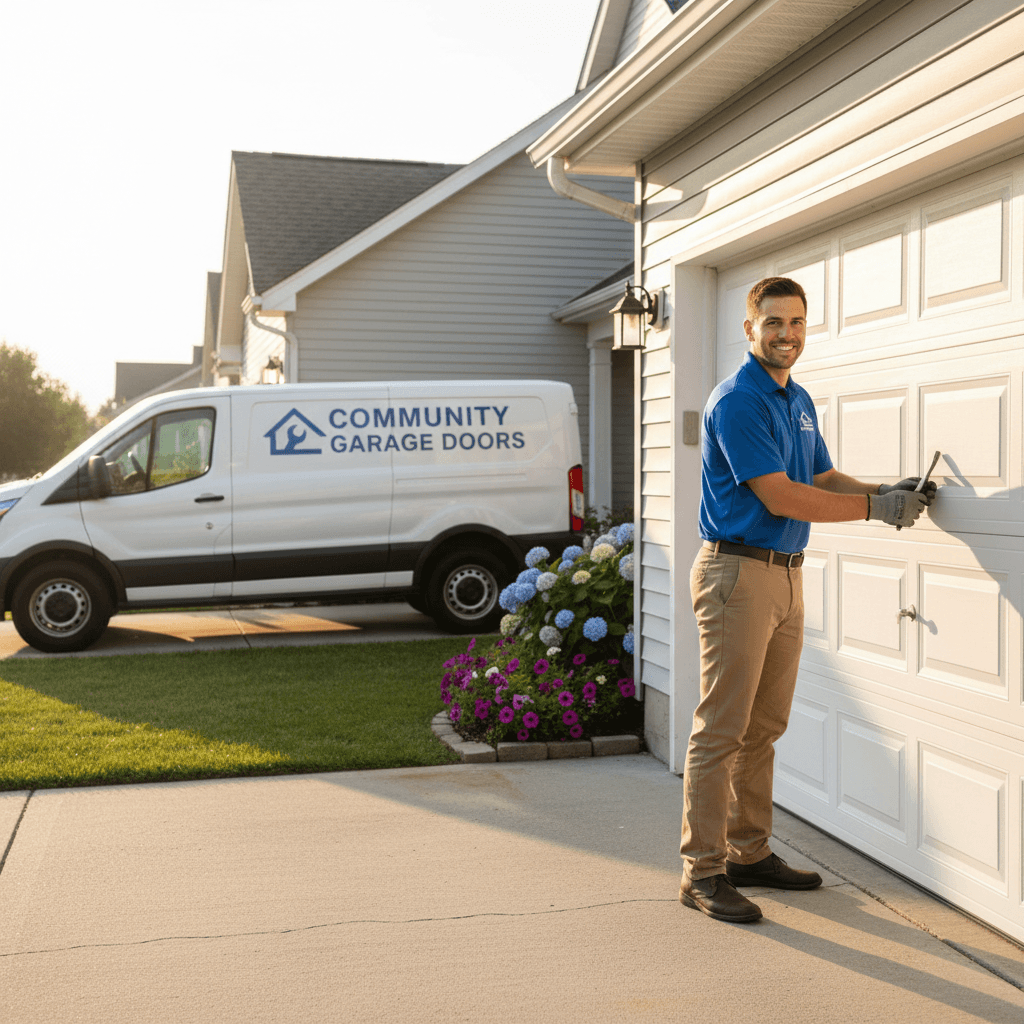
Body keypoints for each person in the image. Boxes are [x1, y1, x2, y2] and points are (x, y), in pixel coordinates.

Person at [678, 276, 936, 924]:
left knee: (763, 728)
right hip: (738, 574)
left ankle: (748, 853)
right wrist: (877, 509)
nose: (786, 335)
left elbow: (819, 478)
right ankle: (702, 872)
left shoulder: (796, 399)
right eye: (773, 323)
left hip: (784, 574)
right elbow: (782, 496)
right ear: (749, 329)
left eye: (796, 323)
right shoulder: (739, 401)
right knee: (722, 730)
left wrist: (886, 489)